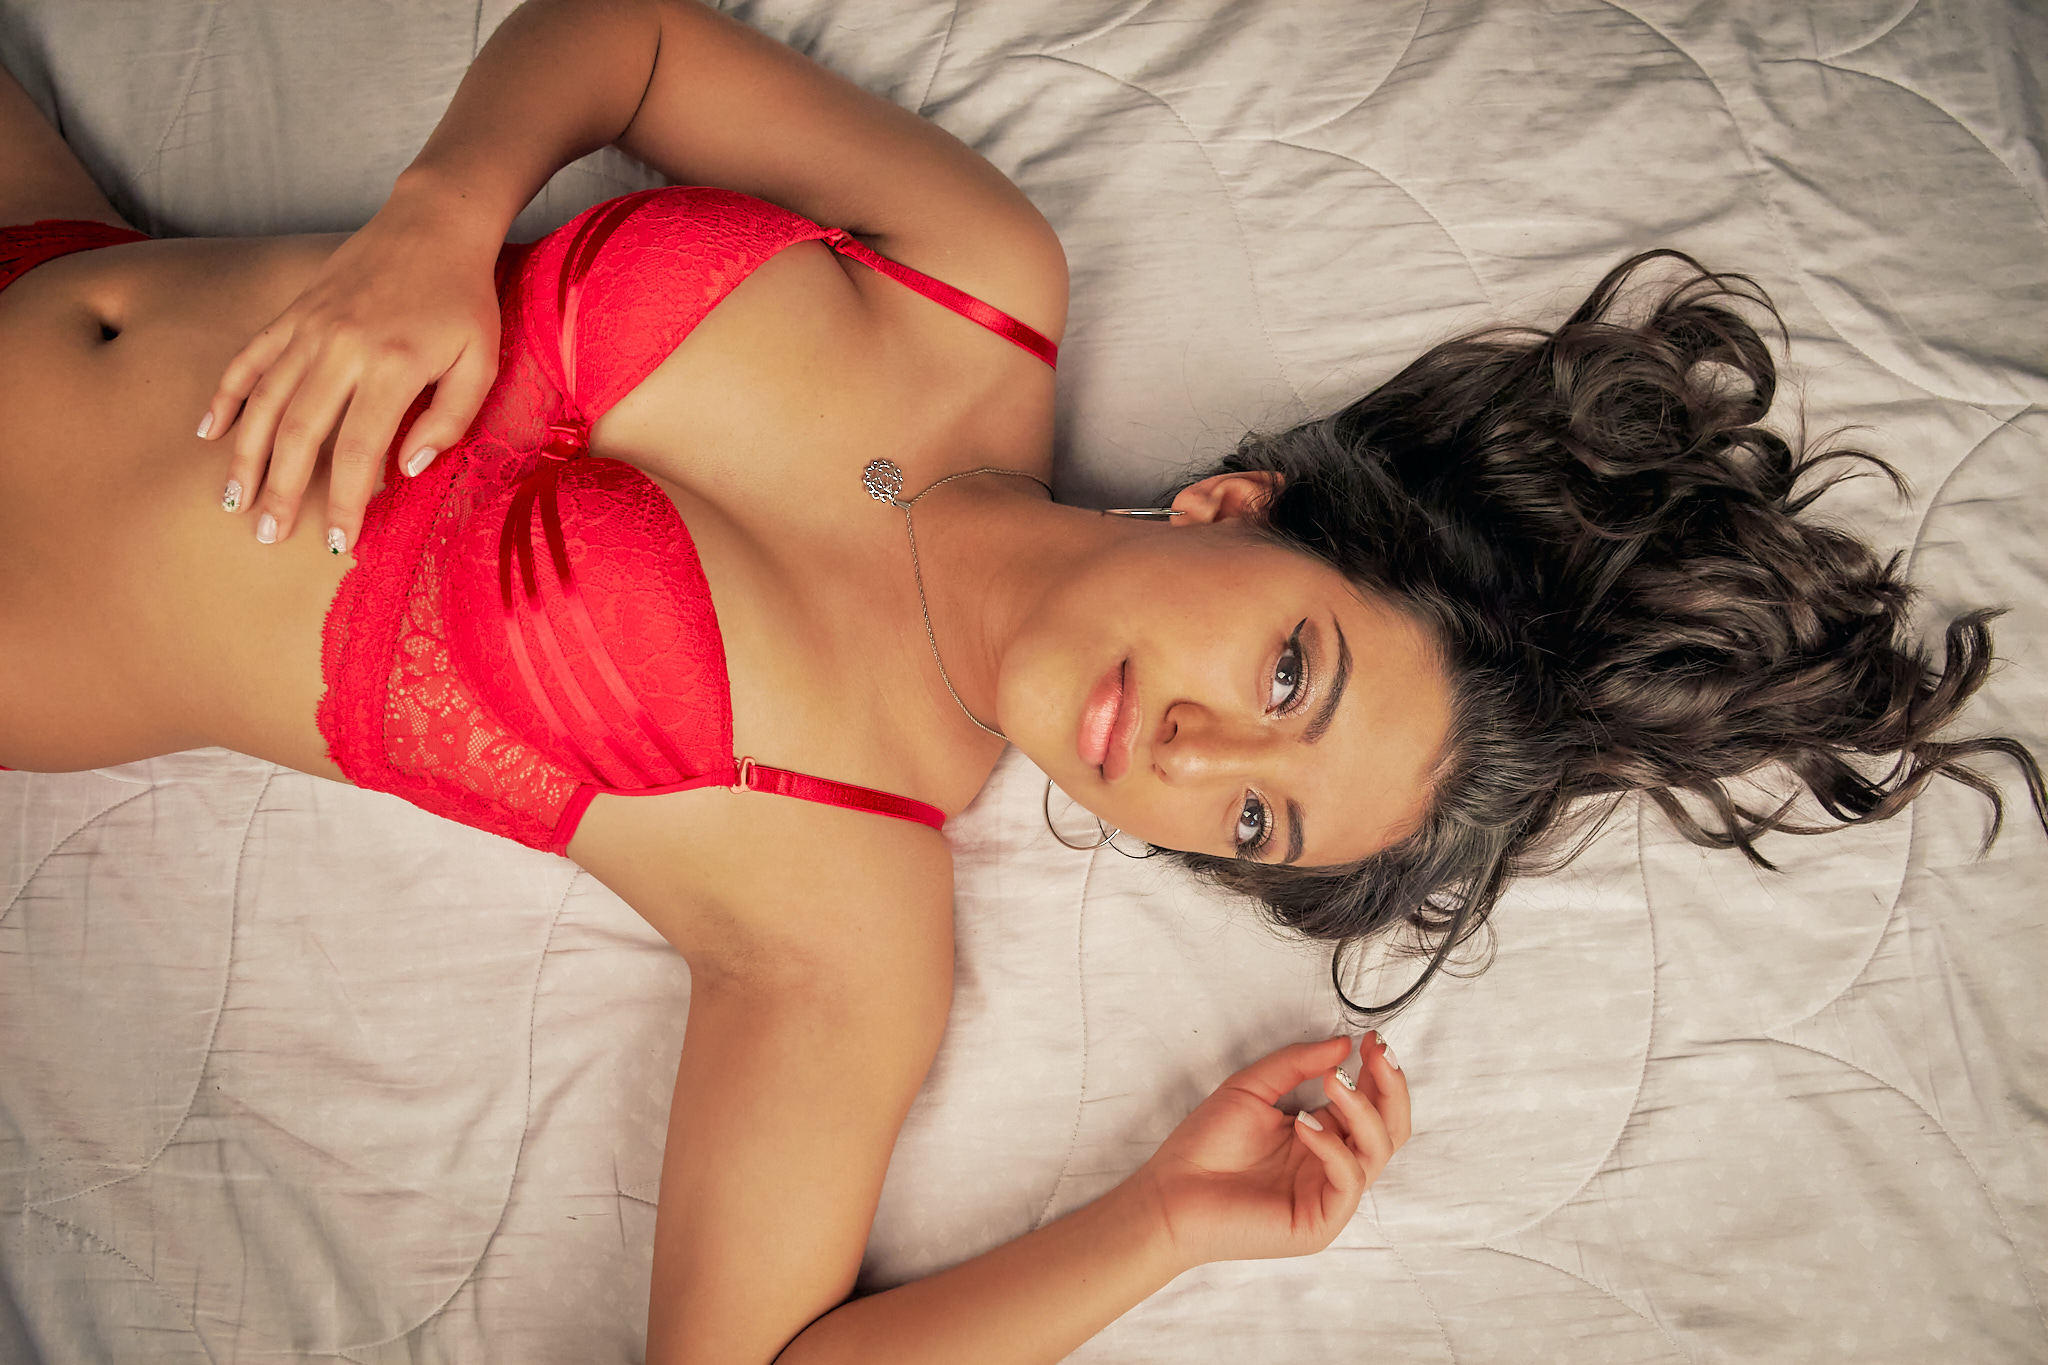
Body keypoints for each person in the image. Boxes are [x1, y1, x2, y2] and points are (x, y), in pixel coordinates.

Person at [0, 2, 2037, 1362]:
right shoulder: (975, 278)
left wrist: (1158, 1225)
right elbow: (624, 40)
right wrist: (443, 219)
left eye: (1253, 820)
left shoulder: (840, 908)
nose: (1198, 754)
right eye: (1291, 668)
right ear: (1236, 505)